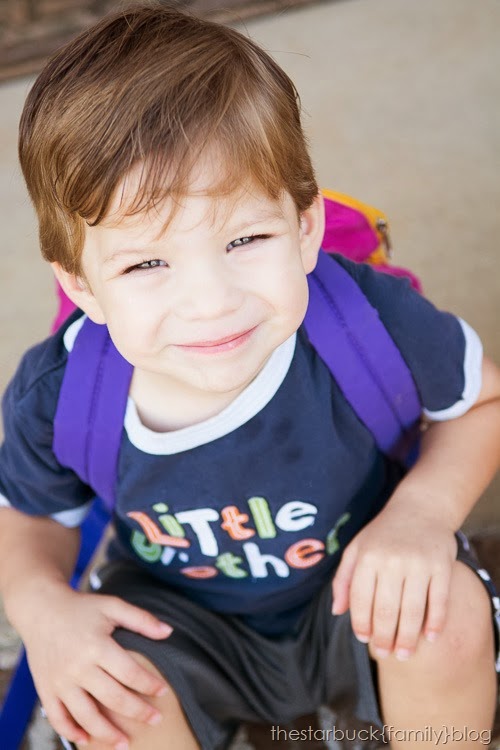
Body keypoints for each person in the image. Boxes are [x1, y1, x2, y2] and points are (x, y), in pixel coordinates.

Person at [0, 4, 499, 750]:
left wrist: (422, 515)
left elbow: (482, 401)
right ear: (82, 286)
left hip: (358, 585)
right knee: (107, 704)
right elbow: (28, 515)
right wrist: (42, 609)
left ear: (305, 227)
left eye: (245, 238)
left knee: (446, 617)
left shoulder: (365, 322)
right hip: (182, 624)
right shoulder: (63, 395)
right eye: (146, 263)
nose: (211, 300)